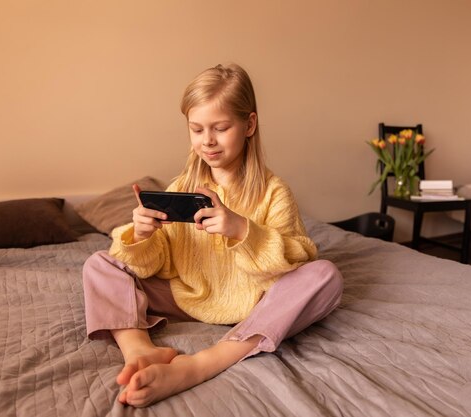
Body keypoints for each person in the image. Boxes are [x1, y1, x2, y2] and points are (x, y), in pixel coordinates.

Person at [82, 63, 344, 407]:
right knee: (100, 263)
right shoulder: (182, 187)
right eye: (196, 129)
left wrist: (242, 230)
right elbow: (156, 263)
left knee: (325, 275)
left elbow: (296, 257)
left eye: (221, 128)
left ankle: (205, 363)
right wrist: (143, 236)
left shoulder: (274, 192)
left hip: (253, 303)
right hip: (186, 295)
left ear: (249, 124)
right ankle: (140, 350)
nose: (207, 141)